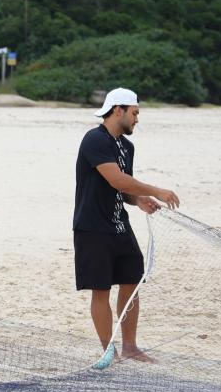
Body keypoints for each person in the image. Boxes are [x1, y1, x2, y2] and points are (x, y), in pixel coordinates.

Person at [73, 87, 179, 362]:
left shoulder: (126, 146)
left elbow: (122, 188)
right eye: (135, 113)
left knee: (132, 282)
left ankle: (130, 347)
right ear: (118, 110)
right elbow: (116, 179)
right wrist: (157, 189)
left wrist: (139, 199)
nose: (137, 119)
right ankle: (109, 350)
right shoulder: (94, 140)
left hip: (120, 225)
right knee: (101, 289)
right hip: (92, 227)